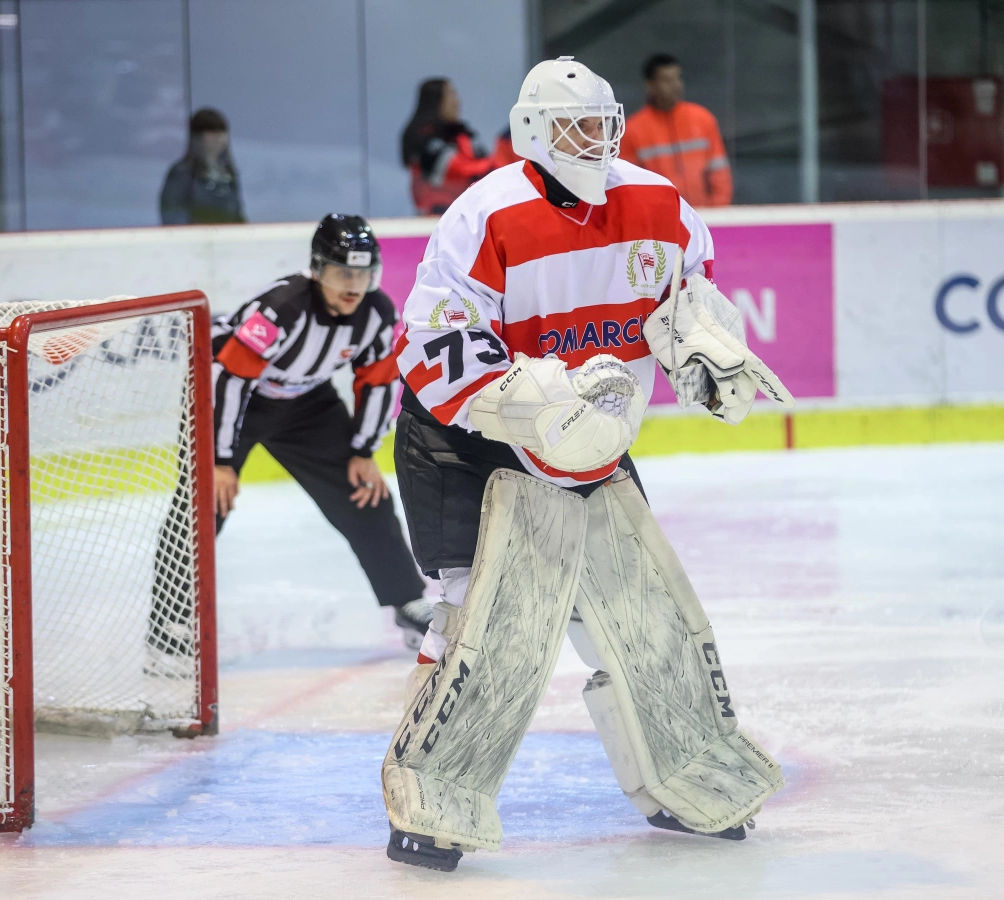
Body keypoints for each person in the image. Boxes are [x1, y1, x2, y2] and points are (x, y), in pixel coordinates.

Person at [379, 57, 793, 871]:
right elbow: (430, 348)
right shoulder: (484, 215)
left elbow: (689, 302)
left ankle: (687, 776)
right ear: (533, 132)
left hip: (592, 440)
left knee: (640, 619)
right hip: (468, 444)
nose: (594, 142)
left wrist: (706, 352)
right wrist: (534, 404)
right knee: (485, 624)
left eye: (604, 125)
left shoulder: (660, 204)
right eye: (575, 128)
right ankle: (433, 796)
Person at [147, 215, 432, 662]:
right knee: (201, 505)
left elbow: (378, 381)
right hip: (231, 398)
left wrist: (362, 451)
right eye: (342, 274)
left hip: (305, 403)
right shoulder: (282, 308)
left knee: (365, 492)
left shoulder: (377, 313)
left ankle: (407, 601)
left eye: (363, 275)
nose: (354, 286)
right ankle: (169, 624)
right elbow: (229, 378)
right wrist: (219, 461)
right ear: (317, 270)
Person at [619, 53, 733, 206]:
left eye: (678, 78)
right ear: (650, 85)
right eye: (667, 80)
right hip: (660, 217)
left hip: (704, 215)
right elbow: (628, 184)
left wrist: (718, 211)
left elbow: (720, 174)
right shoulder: (632, 130)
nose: (676, 85)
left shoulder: (703, 119)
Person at [400, 78, 495, 215]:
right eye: (451, 95)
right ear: (436, 100)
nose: (457, 101)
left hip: (469, 213)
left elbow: (486, 169)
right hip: (434, 217)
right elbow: (456, 169)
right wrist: (495, 163)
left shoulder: (463, 134)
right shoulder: (422, 136)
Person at [159, 108, 246, 225]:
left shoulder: (228, 173)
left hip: (227, 236)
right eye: (212, 131)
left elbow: (238, 215)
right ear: (197, 137)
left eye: (222, 132)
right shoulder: (182, 172)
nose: (218, 137)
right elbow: (173, 215)